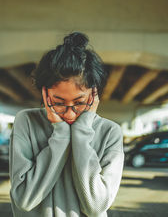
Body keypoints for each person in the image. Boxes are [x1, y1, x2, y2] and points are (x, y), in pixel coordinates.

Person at [9, 32, 124, 217]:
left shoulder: (110, 133)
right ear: (45, 94)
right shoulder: (26, 122)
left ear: (93, 95)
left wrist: (82, 131)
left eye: (79, 103)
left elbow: (95, 207)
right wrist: (61, 134)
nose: (70, 113)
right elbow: (24, 200)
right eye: (59, 102)